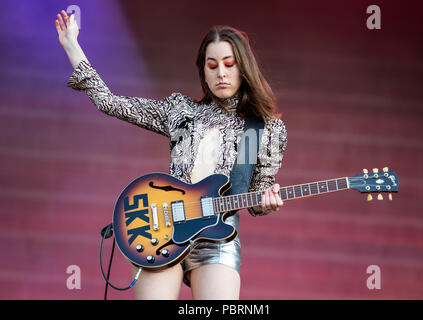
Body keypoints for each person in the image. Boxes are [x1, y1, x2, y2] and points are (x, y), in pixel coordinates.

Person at [55, 9, 287, 300]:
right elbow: (111, 103)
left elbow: (255, 198)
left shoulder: (265, 129)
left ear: (243, 68)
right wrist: (72, 46)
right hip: (163, 228)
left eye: (229, 64)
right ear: (202, 70)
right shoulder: (181, 111)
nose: (221, 73)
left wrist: (267, 202)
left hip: (219, 237)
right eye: (212, 65)